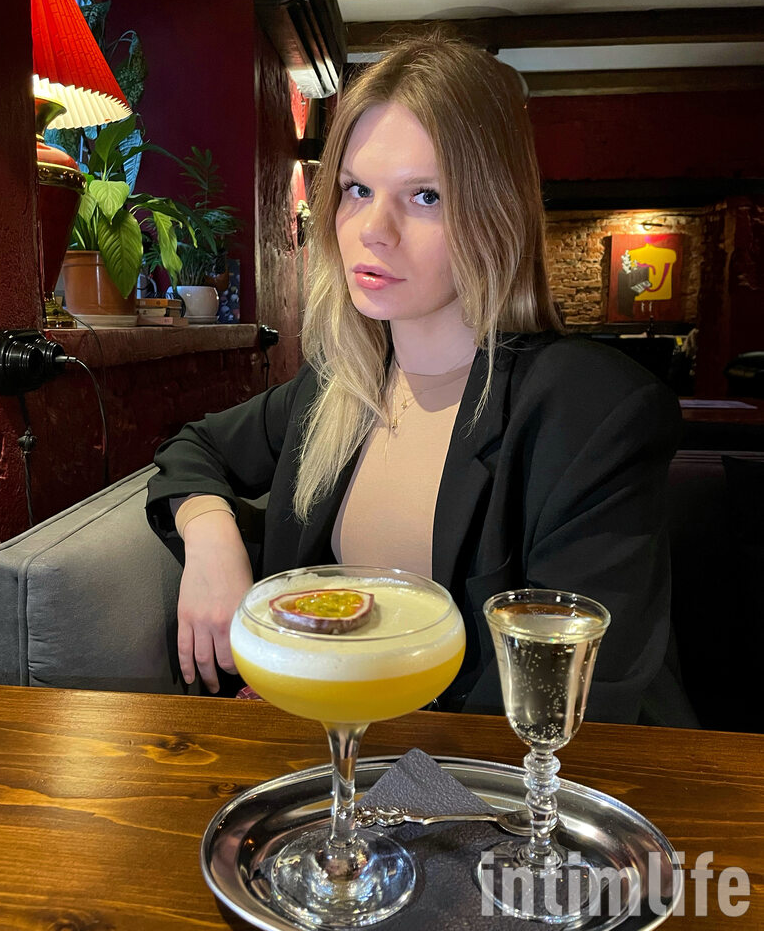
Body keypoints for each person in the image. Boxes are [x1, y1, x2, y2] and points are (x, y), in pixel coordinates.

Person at [146, 37, 683, 724]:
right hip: (336, 739)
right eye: (357, 189)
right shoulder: (341, 384)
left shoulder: (591, 409)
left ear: (495, 213)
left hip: (491, 770)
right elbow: (194, 449)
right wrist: (211, 540)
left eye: (425, 196)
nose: (374, 229)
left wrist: (375, 781)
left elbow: (564, 701)